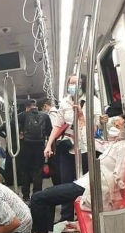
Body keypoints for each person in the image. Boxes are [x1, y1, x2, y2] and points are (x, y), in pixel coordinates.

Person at [31, 113, 125, 233]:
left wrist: (112, 199)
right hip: (86, 183)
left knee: (37, 198)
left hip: (92, 187)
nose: (114, 126)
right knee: (47, 196)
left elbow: (119, 174)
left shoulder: (124, 147)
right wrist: (81, 118)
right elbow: (88, 141)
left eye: (118, 125)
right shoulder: (113, 144)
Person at [43, 74, 107, 223]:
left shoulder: (92, 101)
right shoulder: (64, 103)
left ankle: (85, 213)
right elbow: (57, 126)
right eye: (70, 83)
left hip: (87, 148)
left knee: (85, 182)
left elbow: (97, 122)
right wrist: (48, 144)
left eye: (76, 83)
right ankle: (66, 217)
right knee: (66, 181)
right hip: (68, 147)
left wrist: (97, 119)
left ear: (82, 84)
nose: (72, 86)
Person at [17, 99, 51, 202]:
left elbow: (14, 127)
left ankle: (26, 196)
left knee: (25, 172)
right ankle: (37, 195)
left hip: (26, 146)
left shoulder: (22, 115)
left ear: (27, 107)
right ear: (35, 106)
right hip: (40, 146)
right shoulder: (45, 116)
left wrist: (21, 135)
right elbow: (49, 131)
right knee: (38, 172)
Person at [43, 100, 61, 186]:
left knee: (54, 165)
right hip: (56, 142)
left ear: (46, 105)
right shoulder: (57, 112)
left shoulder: (52, 114)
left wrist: (49, 144)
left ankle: (57, 185)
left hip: (54, 143)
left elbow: (54, 129)